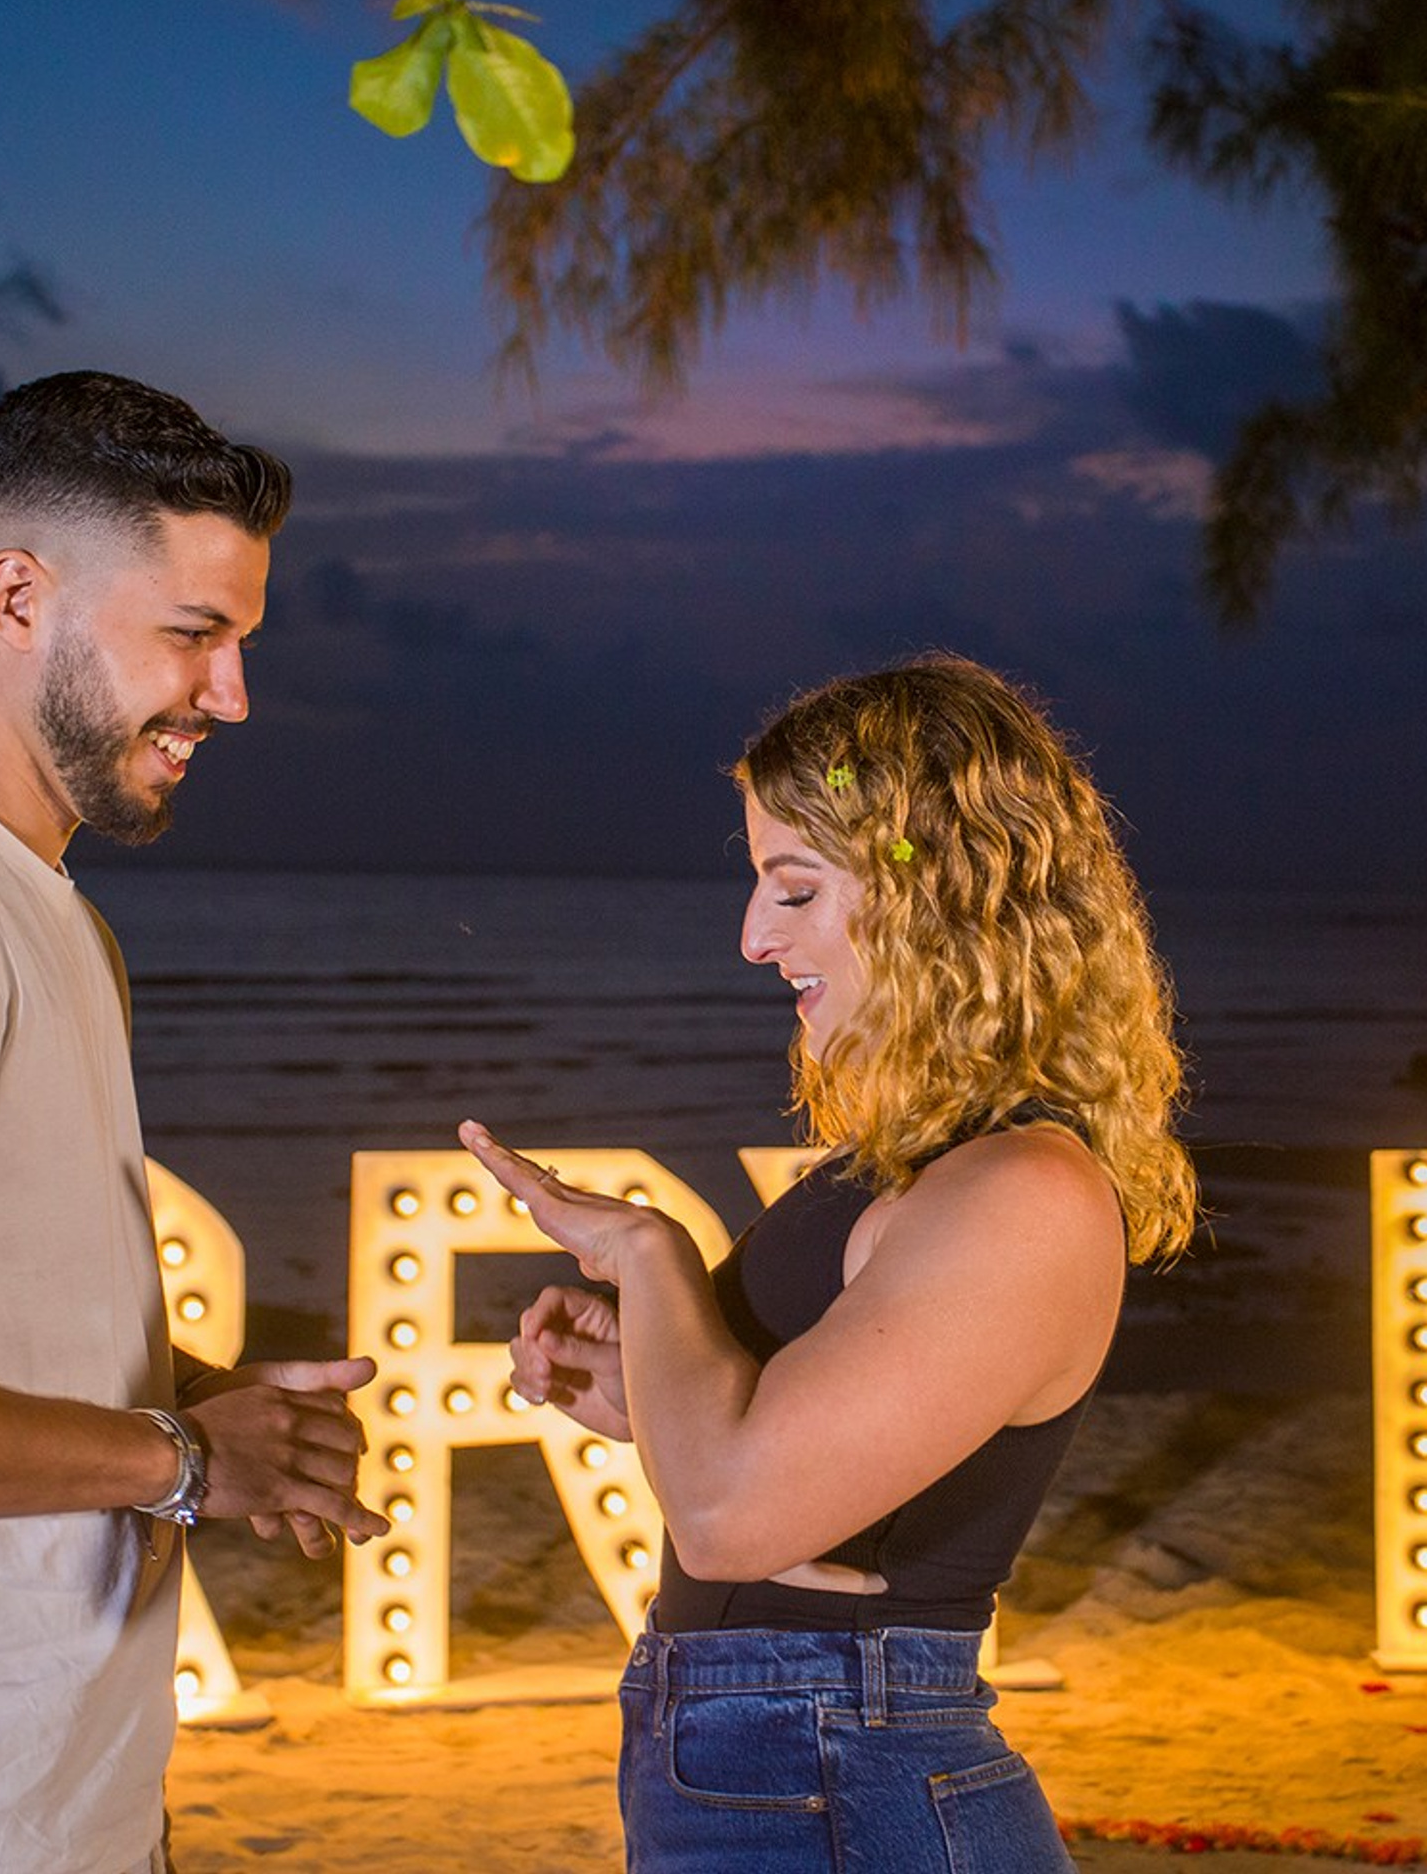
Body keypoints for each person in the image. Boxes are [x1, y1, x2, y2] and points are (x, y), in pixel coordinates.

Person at [460, 655, 1196, 1873]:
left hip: (837, 1771)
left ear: (937, 892)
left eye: (793, 891)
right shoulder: (925, 1167)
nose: (754, 938)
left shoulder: (1023, 1193)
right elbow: (779, 1469)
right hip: (789, 1760)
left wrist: (648, 1256)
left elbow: (734, 1515)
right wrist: (657, 1393)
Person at [0, 370, 390, 1874]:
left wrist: (217, 1409)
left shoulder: (51, 920)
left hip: (76, 1802)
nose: (232, 699)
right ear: (16, 594)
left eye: (241, 642)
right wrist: (180, 1460)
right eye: (194, 636)